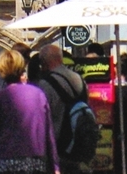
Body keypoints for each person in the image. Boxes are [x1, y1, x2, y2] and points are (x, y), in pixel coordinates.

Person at [0, 48, 58, 174]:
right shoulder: (38, 94)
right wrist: (55, 166)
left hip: (6, 162)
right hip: (35, 162)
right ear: (22, 68)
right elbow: (49, 133)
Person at [37, 44, 88, 174]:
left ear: (44, 62)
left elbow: (41, 119)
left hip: (58, 147)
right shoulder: (79, 79)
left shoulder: (45, 84)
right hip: (80, 144)